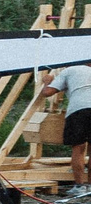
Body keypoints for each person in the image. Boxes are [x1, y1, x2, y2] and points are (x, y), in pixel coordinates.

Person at [38, 60, 91, 192]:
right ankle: (90, 186)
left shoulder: (69, 71)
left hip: (79, 109)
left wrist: (47, 81)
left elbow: (48, 92)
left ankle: (79, 186)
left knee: (78, 148)